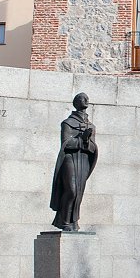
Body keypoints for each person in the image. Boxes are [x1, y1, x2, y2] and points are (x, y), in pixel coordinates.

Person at [50, 93, 98, 231]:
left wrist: (87, 141)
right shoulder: (67, 123)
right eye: (83, 98)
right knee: (71, 190)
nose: (87, 100)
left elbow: (93, 147)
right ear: (76, 102)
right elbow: (65, 143)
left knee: (79, 192)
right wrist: (81, 139)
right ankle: (64, 221)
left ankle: (74, 222)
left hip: (83, 160)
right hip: (70, 159)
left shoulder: (91, 126)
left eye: (87, 98)